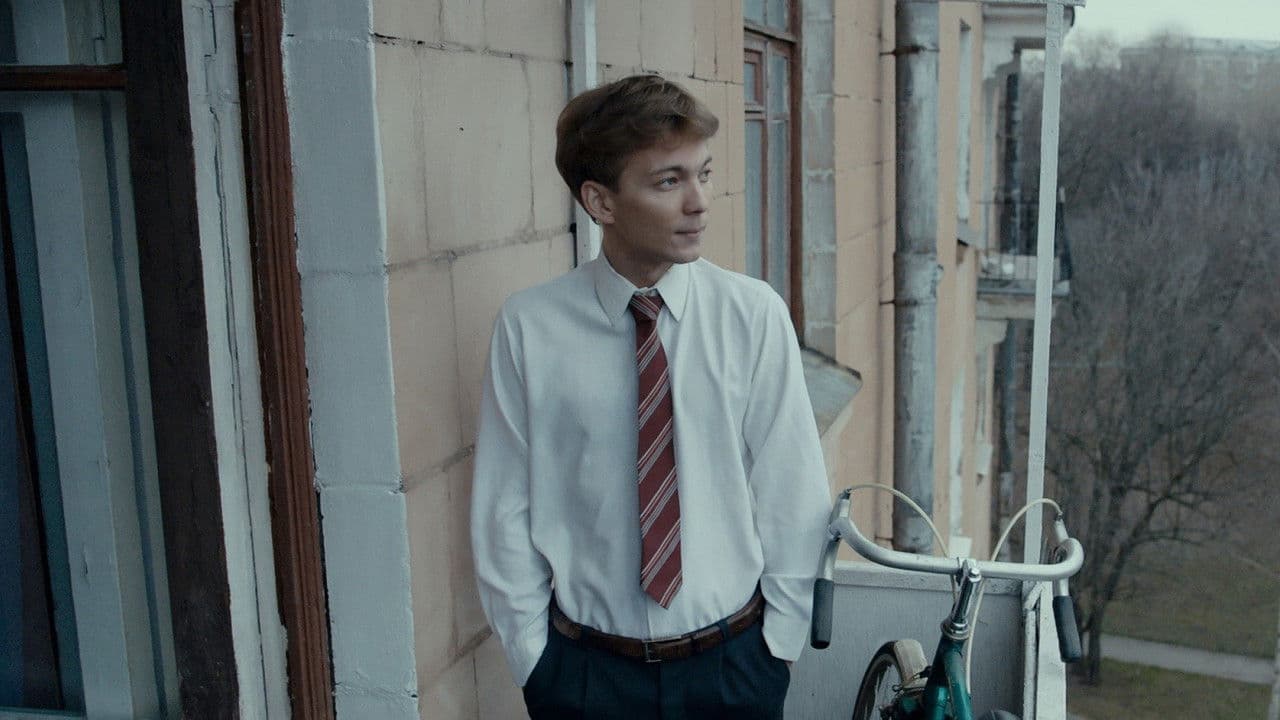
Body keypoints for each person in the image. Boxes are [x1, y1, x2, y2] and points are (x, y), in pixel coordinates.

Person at [470, 74, 832, 719]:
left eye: (704, 174)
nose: (699, 203)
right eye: (669, 181)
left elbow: (792, 488)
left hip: (733, 669)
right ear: (600, 201)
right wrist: (535, 660)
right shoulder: (530, 327)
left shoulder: (751, 316)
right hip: (586, 678)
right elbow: (504, 504)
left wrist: (777, 647)